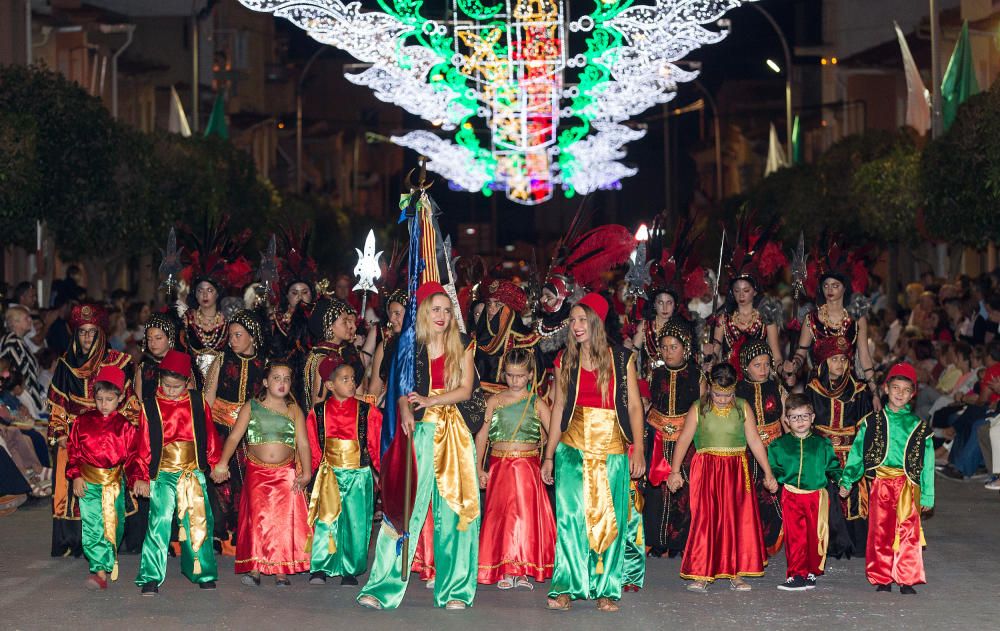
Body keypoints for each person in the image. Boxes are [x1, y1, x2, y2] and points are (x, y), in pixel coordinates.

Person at [358, 282, 480, 611]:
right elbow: (400, 389)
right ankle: (382, 586)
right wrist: (404, 410)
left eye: (447, 309)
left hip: (453, 433)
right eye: (435, 309)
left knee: (456, 513)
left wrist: (429, 399)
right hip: (421, 433)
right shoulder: (410, 346)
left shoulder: (464, 344)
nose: (442, 315)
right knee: (403, 509)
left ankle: (455, 590)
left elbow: (467, 390)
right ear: (425, 312)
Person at [539, 293, 645, 613]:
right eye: (572, 320)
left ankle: (606, 588)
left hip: (611, 447)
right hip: (571, 449)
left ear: (597, 322)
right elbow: (558, 408)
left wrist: (638, 448)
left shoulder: (621, 357)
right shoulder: (564, 359)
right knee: (571, 520)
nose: (576, 325)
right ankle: (566, 585)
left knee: (608, 523)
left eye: (583, 319)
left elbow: (635, 407)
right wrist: (548, 454)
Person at [666, 363, 778, 593]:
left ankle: (735, 573)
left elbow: (755, 441)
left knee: (735, 520)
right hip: (706, 469)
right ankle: (701, 572)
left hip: (736, 470)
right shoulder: (698, 408)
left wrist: (768, 472)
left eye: (728, 395)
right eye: (717, 394)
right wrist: (674, 471)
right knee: (706, 520)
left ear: (735, 389)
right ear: (709, 388)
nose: (723, 399)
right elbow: (684, 439)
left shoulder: (743, 407)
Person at [47, 303, 135, 557]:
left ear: (100, 334)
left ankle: (111, 539)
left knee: (110, 490)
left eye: (91, 332)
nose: (86, 337)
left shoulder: (116, 362)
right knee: (71, 487)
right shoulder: (65, 364)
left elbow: (128, 404)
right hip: (75, 436)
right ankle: (74, 541)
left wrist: (122, 432)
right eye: (82, 332)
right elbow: (57, 406)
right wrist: (60, 432)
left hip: (107, 435)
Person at [212, 361, 312, 585]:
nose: (282, 383)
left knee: (283, 521)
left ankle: (281, 569)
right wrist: (222, 463)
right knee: (258, 519)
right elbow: (234, 437)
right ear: (266, 382)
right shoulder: (252, 406)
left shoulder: (294, 410)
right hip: (257, 472)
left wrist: (306, 472)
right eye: (276, 378)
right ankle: (255, 567)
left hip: (286, 474)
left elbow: (303, 444)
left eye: (286, 379)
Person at [839, 363, 934, 594]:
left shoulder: (920, 428)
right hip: (880, 485)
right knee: (881, 532)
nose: (900, 393)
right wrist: (847, 480)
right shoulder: (872, 422)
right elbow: (858, 454)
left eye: (906, 390)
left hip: (908, 487)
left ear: (913, 394)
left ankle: (906, 577)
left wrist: (928, 495)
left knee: (908, 532)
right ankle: (882, 576)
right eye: (895, 388)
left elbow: (928, 464)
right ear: (885, 389)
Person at [134, 350, 220, 595]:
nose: (170, 390)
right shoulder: (150, 406)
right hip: (163, 474)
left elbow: (209, 435)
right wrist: (141, 475)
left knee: (198, 523)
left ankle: (202, 571)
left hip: (192, 473)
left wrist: (214, 463)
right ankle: (150, 575)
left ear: (188, 382)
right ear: (159, 380)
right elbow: (144, 444)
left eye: (176, 386)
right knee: (158, 523)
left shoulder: (197, 402)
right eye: (166, 385)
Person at [475, 347, 554, 590]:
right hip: (500, 467)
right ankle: (504, 568)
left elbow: (555, 435)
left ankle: (523, 569)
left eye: (520, 375)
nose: (515, 380)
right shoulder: (494, 401)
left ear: (531, 375)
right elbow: (482, 436)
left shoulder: (538, 403)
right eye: (510, 375)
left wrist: (549, 461)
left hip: (528, 468)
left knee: (525, 518)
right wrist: (478, 466)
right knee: (501, 517)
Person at [65, 366, 145, 590]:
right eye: (99, 399)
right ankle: (99, 571)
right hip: (88, 482)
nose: (103, 404)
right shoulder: (82, 422)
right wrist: (76, 476)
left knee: (114, 526)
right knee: (92, 525)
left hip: (113, 484)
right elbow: (73, 451)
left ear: (119, 399)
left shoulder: (126, 427)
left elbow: (132, 458)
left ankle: (108, 559)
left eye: (109, 399)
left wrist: (137, 478)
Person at [305, 356, 382, 585]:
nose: (351, 384)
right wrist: (307, 473)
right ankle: (320, 566)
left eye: (353, 379)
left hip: (358, 475)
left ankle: (350, 568)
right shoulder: (317, 413)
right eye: (345, 379)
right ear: (330, 385)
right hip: (330, 474)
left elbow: (377, 446)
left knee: (356, 522)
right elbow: (313, 448)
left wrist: (384, 474)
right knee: (326, 520)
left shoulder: (367, 411)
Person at [804, 335, 874, 556]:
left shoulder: (859, 390)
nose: (840, 365)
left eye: (843, 360)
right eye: (834, 359)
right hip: (824, 454)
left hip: (851, 454)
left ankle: (854, 543)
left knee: (853, 497)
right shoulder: (813, 389)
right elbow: (808, 425)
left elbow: (865, 427)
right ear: (824, 362)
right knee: (827, 497)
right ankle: (828, 544)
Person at [204, 310, 267, 555]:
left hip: (252, 431)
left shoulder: (265, 364)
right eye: (230, 335)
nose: (232, 340)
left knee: (247, 482)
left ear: (252, 337)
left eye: (238, 335)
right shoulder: (221, 360)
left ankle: (245, 534)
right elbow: (208, 400)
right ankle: (219, 533)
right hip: (220, 428)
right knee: (220, 481)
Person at [767, 393, 841, 591]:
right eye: (794, 417)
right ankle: (796, 574)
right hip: (791, 495)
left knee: (815, 536)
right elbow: (774, 468)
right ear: (786, 420)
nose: (799, 421)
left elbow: (833, 467)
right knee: (795, 537)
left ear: (813, 418)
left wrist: (841, 480)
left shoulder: (822, 444)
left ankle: (810, 572)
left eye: (804, 416)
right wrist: (773, 479)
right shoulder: (778, 445)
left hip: (816, 496)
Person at [643, 318, 703, 557]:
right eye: (664, 347)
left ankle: (681, 542)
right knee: (657, 491)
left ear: (685, 348)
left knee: (684, 491)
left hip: (686, 441)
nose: (668, 352)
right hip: (657, 438)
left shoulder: (697, 376)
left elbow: (702, 409)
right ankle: (657, 541)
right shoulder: (655, 374)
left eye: (674, 347)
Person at [736, 341, 786, 555]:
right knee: (749, 496)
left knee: (775, 494)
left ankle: (773, 541)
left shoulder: (777, 388)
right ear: (746, 366)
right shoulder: (736, 391)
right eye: (757, 365)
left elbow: (785, 419)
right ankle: (749, 543)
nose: (763, 370)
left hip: (775, 449)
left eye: (767, 364)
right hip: (747, 451)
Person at [473, 279, 537, 391]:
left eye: (498, 304)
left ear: (509, 310)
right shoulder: (476, 338)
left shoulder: (524, 342)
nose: (491, 309)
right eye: (489, 304)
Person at [304, 298, 364, 410]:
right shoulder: (325, 358)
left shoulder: (338, 352)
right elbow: (318, 404)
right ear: (330, 326)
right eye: (344, 321)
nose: (350, 326)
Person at [1, 305, 46, 414]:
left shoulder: (18, 341)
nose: (31, 320)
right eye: (26, 318)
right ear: (15, 323)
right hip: (23, 396)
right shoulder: (12, 342)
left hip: (28, 394)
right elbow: (20, 373)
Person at [365, 288, 407, 401]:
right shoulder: (385, 346)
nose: (392, 319)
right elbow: (374, 389)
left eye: (397, 313)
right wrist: (370, 415)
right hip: (388, 410)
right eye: (391, 313)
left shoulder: (424, 344)